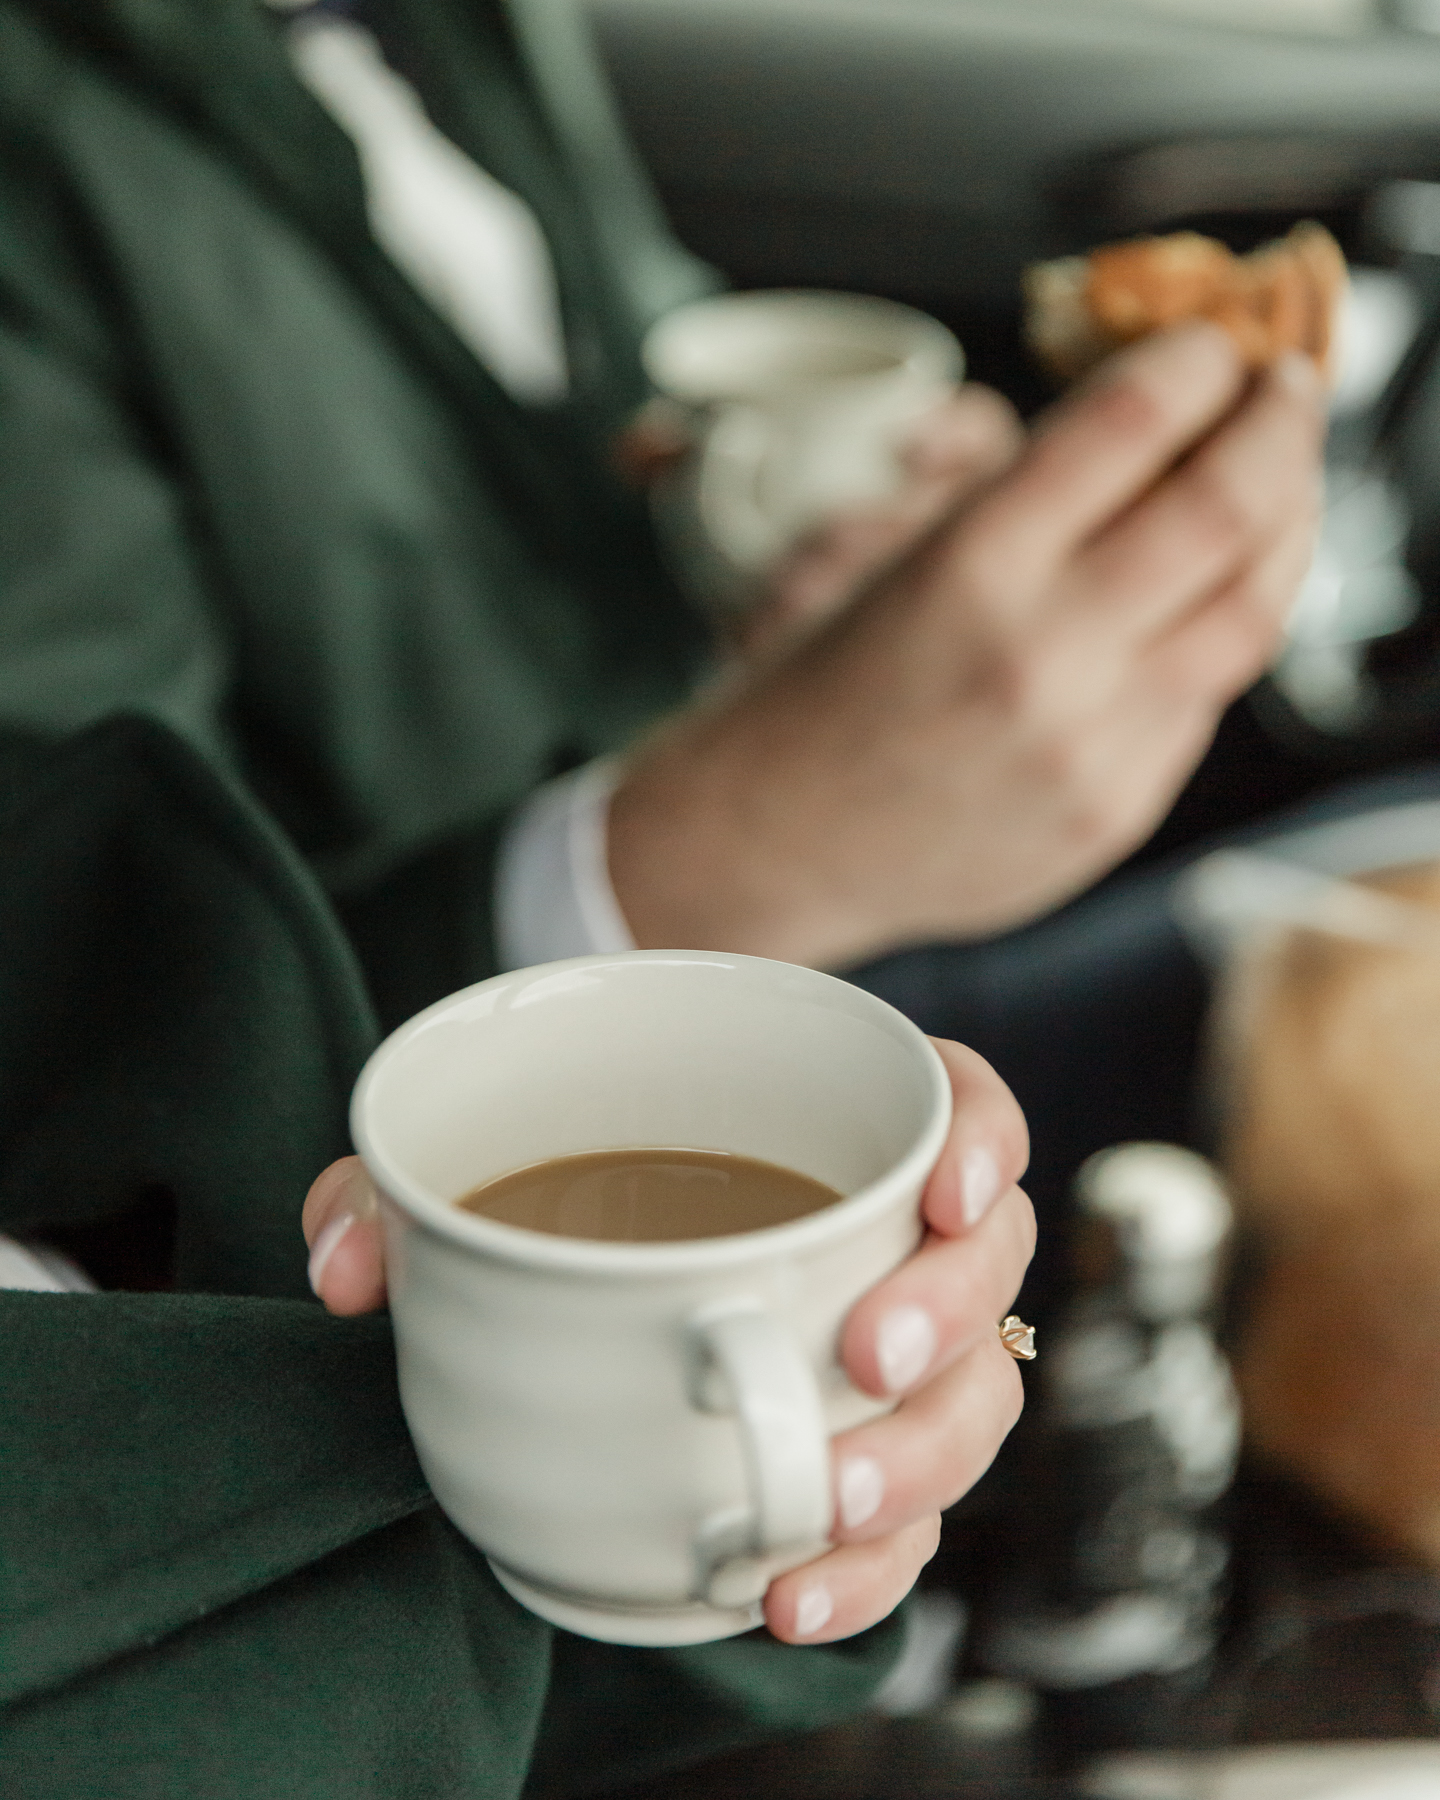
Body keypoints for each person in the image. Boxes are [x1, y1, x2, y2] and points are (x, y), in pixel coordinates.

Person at [0, 0, 1322, 1788]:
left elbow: (647, 388)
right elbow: (95, 988)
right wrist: (749, 835)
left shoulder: (482, 30)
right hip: (486, 1020)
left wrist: (788, 555)